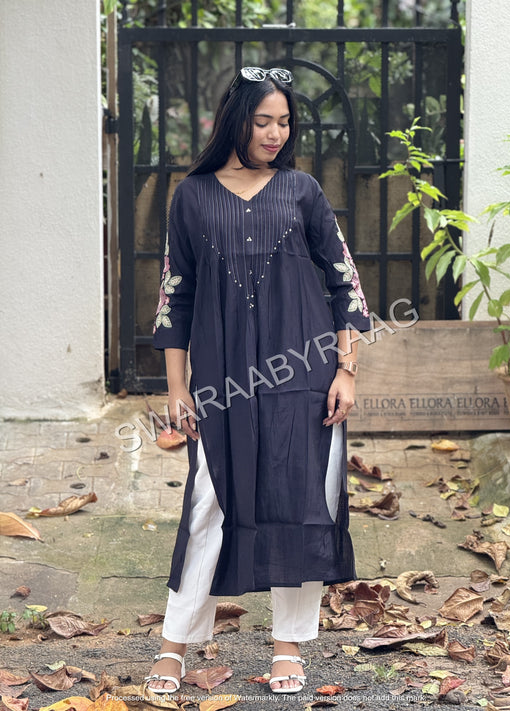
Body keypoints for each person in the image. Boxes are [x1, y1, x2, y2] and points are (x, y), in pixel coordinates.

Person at [145, 66, 370, 696]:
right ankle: (175, 642)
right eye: (263, 121)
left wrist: (346, 369)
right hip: (221, 380)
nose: (276, 133)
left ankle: (288, 645)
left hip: (303, 374)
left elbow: (344, 281)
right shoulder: (192, 196)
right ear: (235, 123)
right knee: (207, 501)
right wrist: (177, 388)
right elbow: (174, 295)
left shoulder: (302, 190)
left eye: (285, 123)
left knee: (297, 501)